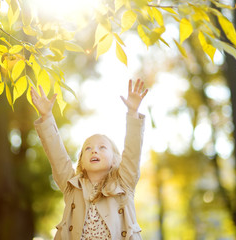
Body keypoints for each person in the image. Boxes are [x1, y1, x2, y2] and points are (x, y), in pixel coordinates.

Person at [31, 79, 148, 240]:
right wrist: (47, 116)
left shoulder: (124, 184)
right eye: (88, 148)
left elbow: (133, 152)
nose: (94, 150)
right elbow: (57, 156)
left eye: (102, 147)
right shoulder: (72, 186)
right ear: (82, 163)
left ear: (115, 160)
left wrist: (133, 113)